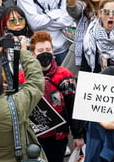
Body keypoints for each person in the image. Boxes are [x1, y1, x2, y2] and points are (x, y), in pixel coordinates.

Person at [29, 32, 82, 162]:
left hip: (58, 136)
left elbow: (74, 106)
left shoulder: (65, 75)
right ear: (32, 54)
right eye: (40, 50)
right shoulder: (23, 77)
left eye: (48, 49)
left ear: (53, 51)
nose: (45, 53)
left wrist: (78, 135)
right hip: (32, 136)